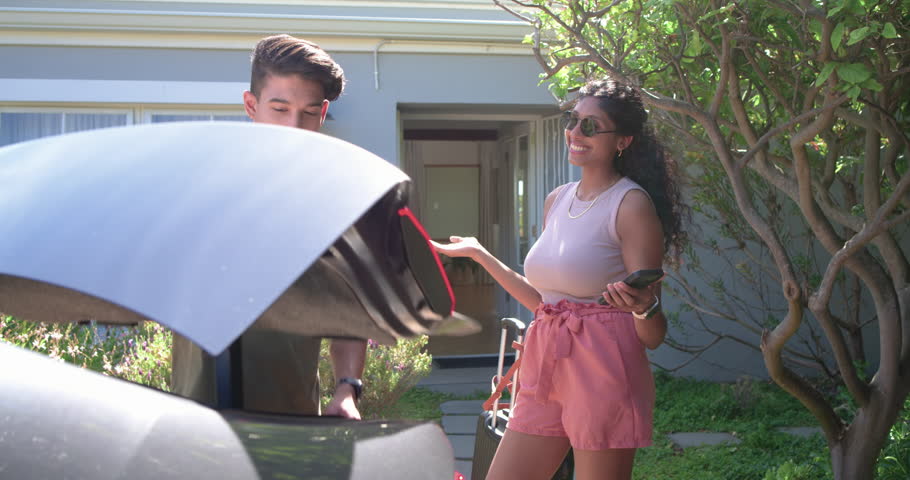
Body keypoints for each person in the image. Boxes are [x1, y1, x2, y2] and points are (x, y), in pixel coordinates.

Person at [434, 79, 687, 480]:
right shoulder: (558, 199)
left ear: (622, 140)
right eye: (573, 120)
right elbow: (545, 302)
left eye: (590, 126)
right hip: (546, 358)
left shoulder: (631, 204)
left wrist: (644, 307)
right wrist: (480, 254)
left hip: (604, 365)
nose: (574, 132)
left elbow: (653, 334)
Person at [171, 34, 365, 420]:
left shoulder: (335, 203)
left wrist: (347, 388)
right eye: (279, 108)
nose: (293, 125)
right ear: (251, 104)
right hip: (195, 417)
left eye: (308, 112)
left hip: (292, 421)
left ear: (323, 112)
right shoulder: (198, 187)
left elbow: (348, 315)